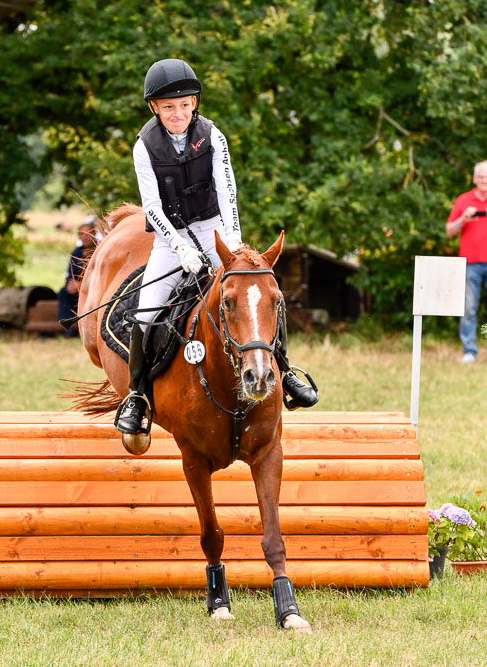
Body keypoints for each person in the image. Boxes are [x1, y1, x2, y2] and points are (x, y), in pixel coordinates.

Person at [115, 57, 318, 434]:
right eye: (168, 107)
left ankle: (286, 372)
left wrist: (234, 245)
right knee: (145, 313)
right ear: (154, 107)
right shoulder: (144, 146)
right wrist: (179, 248)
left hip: (213, 230)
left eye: (184, 104)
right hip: (169, 237)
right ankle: (137, 397)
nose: (178, 113)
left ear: (195, 103)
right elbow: (152, 207)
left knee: (260, 289)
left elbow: (228, 194)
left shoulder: (213, 136)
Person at [446, 160, 487, 363]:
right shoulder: (464, 200)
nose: (484, 180)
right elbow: (449, 231)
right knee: (469, 308)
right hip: (470, 263)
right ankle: (469, 350)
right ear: (474, 178)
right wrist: (463, 219)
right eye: (481, 176)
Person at [57, 219, 99, 336]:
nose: (85, 237)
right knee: (63, 293)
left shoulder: (100, 251)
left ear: (94, 234)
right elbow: (70, 274)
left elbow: (100, 275)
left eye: (88, 233)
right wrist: (71, 284)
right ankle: (68, 326)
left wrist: (83, 285)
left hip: (95, 289)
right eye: (81, 234)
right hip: (78, 289)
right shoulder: (76, 253)